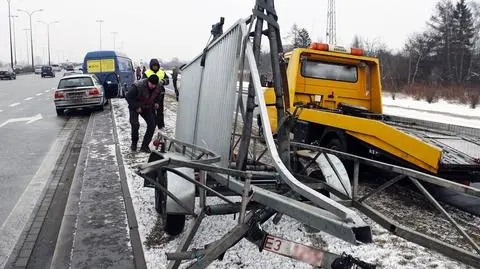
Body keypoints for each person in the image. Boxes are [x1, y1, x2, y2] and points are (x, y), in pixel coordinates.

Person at [126, 74, 163, 153]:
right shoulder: (138, 86)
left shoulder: (158, 86)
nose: (152, 86)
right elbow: (128, 97)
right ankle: (134, 144)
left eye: (154, 85)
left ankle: (144, 146)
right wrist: (136, 106)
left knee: (152, 125)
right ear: (148, 81)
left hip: (146, 106)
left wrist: (157, 102)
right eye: (151, 84)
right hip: (134, 106)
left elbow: (159, 95)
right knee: (135, 124)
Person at [144, 59, 169, 129]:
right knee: (151, 110)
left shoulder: (162, 72)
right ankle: (153, 124)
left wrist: (163, 81)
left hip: (160, 94)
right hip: (150, 95)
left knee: (160, 110)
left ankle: (161, 125)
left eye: (156, 66)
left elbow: (167, 81)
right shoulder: (147, 73)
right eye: (153, 66)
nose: (155, 67)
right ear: (151, 66)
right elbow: (143, 83)